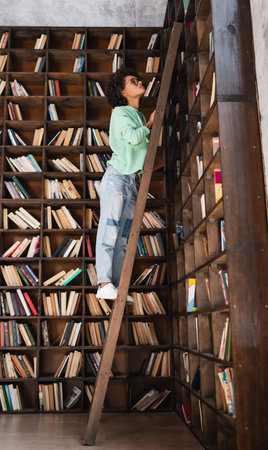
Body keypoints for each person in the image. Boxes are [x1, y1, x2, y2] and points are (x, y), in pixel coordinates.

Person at [95, 67, 155, 301]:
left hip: (132, 180)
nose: (139, 81)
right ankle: (104, 283)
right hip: (118, 177)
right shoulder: (120, 112)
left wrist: (146, 123)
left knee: (123, 237)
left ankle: (116, 285)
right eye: (133, 81)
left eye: (138, 78)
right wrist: (149, 125)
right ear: (122, 90)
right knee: (109, 229)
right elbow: (132, 137)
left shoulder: (138, 116)